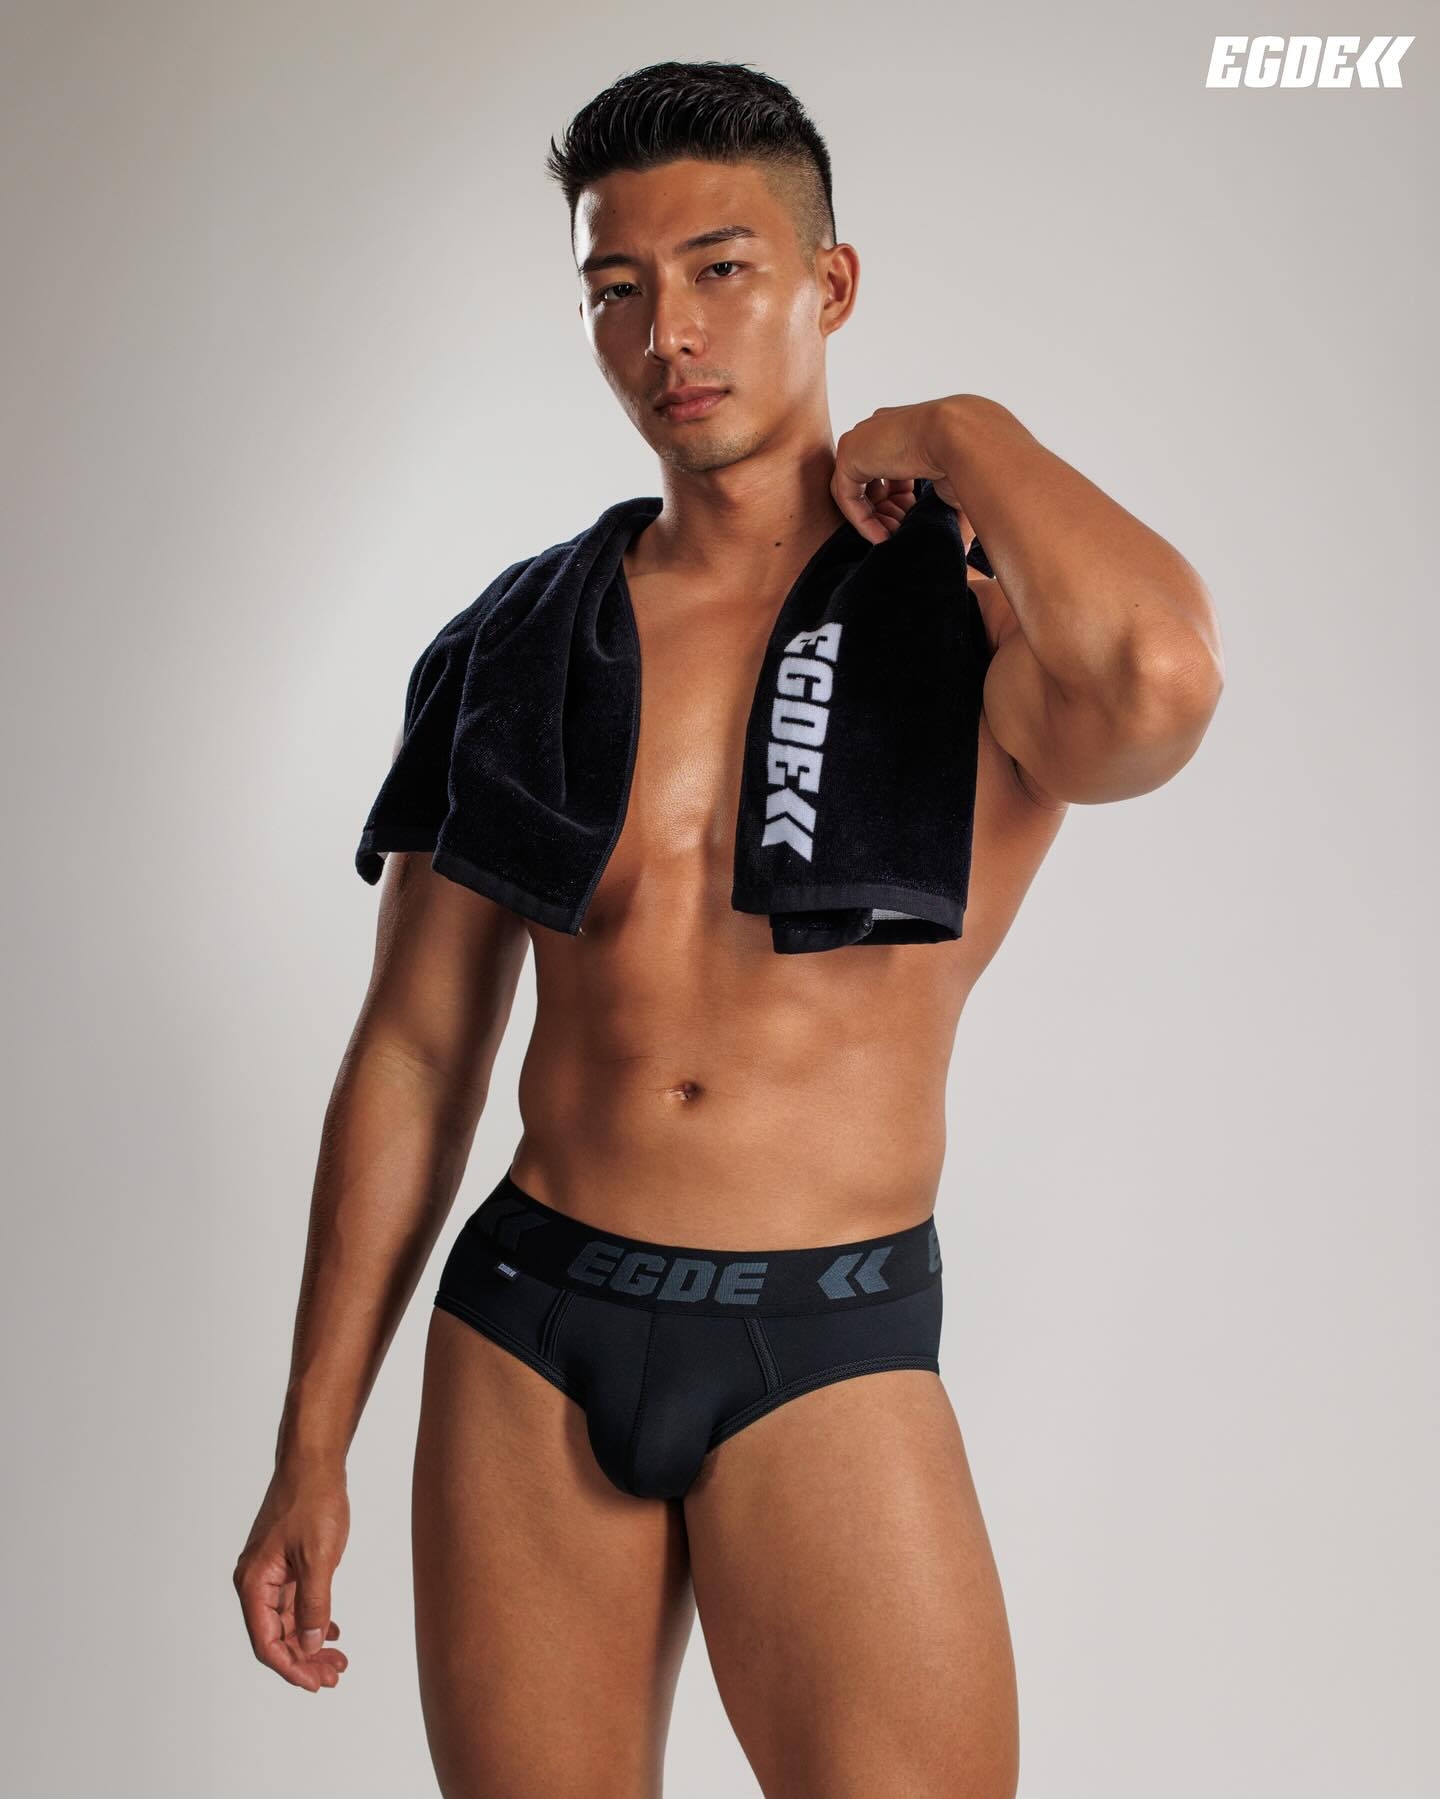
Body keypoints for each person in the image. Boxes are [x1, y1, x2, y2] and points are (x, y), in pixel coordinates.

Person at [233, 59, 1223, 1799]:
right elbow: (417, 1048)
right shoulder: (516, 642)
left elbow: (1160, 674)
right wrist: (312, 1440)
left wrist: (960, 431)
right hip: (528, 1331)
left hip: (822, 1339)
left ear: (830, 286)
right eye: (617, 288)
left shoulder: (978, 632)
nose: (667, 334)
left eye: (720, 270)